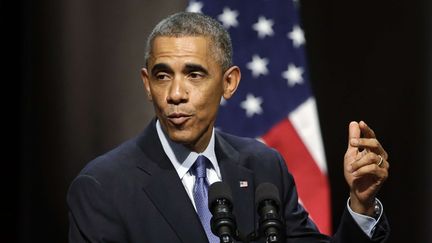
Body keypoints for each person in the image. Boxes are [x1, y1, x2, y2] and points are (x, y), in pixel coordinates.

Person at [67, 12, 390, 243]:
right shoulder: (102, 188)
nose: (176, 94)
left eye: (194, 75)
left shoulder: (262, 166)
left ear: (229, 82)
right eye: (162, 75)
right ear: (147, 84)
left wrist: (361, 204)